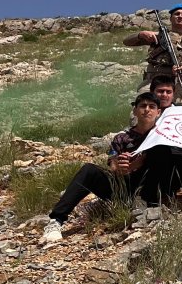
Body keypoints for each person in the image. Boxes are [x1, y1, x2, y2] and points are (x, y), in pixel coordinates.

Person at [43, 93, 168, 242]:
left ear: (158, 112)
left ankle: (148, 201)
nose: (147, 110)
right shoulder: (122, 138)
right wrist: (121, 168)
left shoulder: (163, 135)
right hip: (123, 188)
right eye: (142, 106)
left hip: (151, 187)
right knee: (89, 170)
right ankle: (56, 220)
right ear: (135, 110)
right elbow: (113, 163)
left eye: (152, 107)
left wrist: (139, 162)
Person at [123, 4, 182, 101]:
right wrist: (141, 34)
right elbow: (126, 41)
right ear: (170, 18)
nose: (180, 16)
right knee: (143, 110)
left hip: (175, 83)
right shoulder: (158, 36)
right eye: (177, 14)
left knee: (171, 114)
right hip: (151, 81)